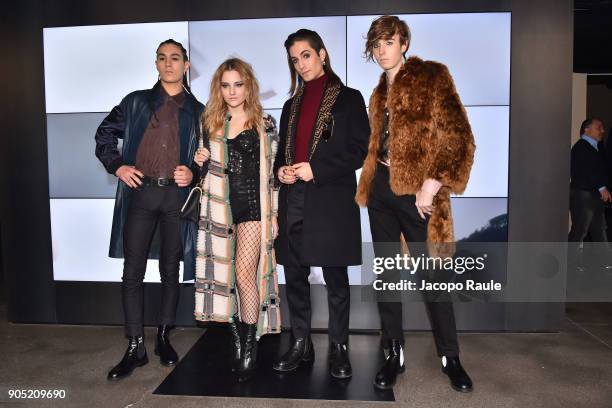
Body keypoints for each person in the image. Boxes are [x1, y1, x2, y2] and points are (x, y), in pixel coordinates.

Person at [355, 15, 475, 392]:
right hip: (380, 193)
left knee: (433, 279)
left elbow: (459, 138)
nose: (381, 50)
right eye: (375, 44)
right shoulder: (376, 93)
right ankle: (394, 354)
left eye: (388, 42)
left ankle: (451, 357)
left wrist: (431, 184)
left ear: (403, 43)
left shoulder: (432, 76)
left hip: (418, 196)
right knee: (388, 277)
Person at [95, 39, 204, 380]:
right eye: (162, 58)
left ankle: (163, 337)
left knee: (171, 270)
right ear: (155, 64)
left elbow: (210, 157)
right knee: (133, 272)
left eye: (175, 58)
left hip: (175, 199)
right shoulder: (135, 102)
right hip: (141, 195)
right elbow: (104, 135)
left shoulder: (200, 111)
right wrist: (117, 166)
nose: (168, 63)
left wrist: (194, 171)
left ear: (186, 65)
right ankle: (135, 346)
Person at [272, 29, 370, 379]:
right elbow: (282, 152)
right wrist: (280, 170)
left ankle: (339, 347)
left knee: (335, 278)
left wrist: (316, 169)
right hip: (293, 197)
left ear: (322, 54)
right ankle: (301, 342)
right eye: (295, 60)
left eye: (306, 56)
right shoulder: (289, 105)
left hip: (329, 197)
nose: (301, 64)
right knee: (294, 274)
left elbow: (359, 150)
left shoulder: (349, 99)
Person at [193, 58, 281, 382]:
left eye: (238, 84)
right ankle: (239, 338)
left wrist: (274, 214)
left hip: (254, 210)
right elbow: (202, 174)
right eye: (226, 85)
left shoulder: (264, 123)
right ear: (219, 88)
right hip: (221, 210)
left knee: (245, 275)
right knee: (229, 279)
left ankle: (249, 346)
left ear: (248, 86)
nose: (232, 91)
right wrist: (200, 159)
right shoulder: (211, 122)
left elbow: (272, 176)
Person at [569, 118, 611, 270]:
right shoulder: (581, 147)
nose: (602, 131)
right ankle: (568, 264)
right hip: (583, 195)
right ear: (586, 129)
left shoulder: (595, 148)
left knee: (599, 230)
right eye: (599, 127)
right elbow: (587, 170)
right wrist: (602, 188)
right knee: (579, 230)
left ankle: (607, 261)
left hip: (591, 196)